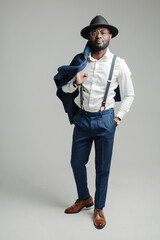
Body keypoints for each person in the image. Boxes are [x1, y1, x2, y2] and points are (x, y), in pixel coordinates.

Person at [54, 15, 135, 229]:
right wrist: (74, 82)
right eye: (94, 32)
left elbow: (129, 94)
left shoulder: (119, 64)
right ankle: (84, 198)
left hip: (105, 119)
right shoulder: (80, 61)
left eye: (103, 32)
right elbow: (63, 89)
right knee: (76, 163)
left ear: (110, 36)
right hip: (82, 119)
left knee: (103, 167)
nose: (98, 36)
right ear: (89, 36)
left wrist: (118, 118)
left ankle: (99, 207)